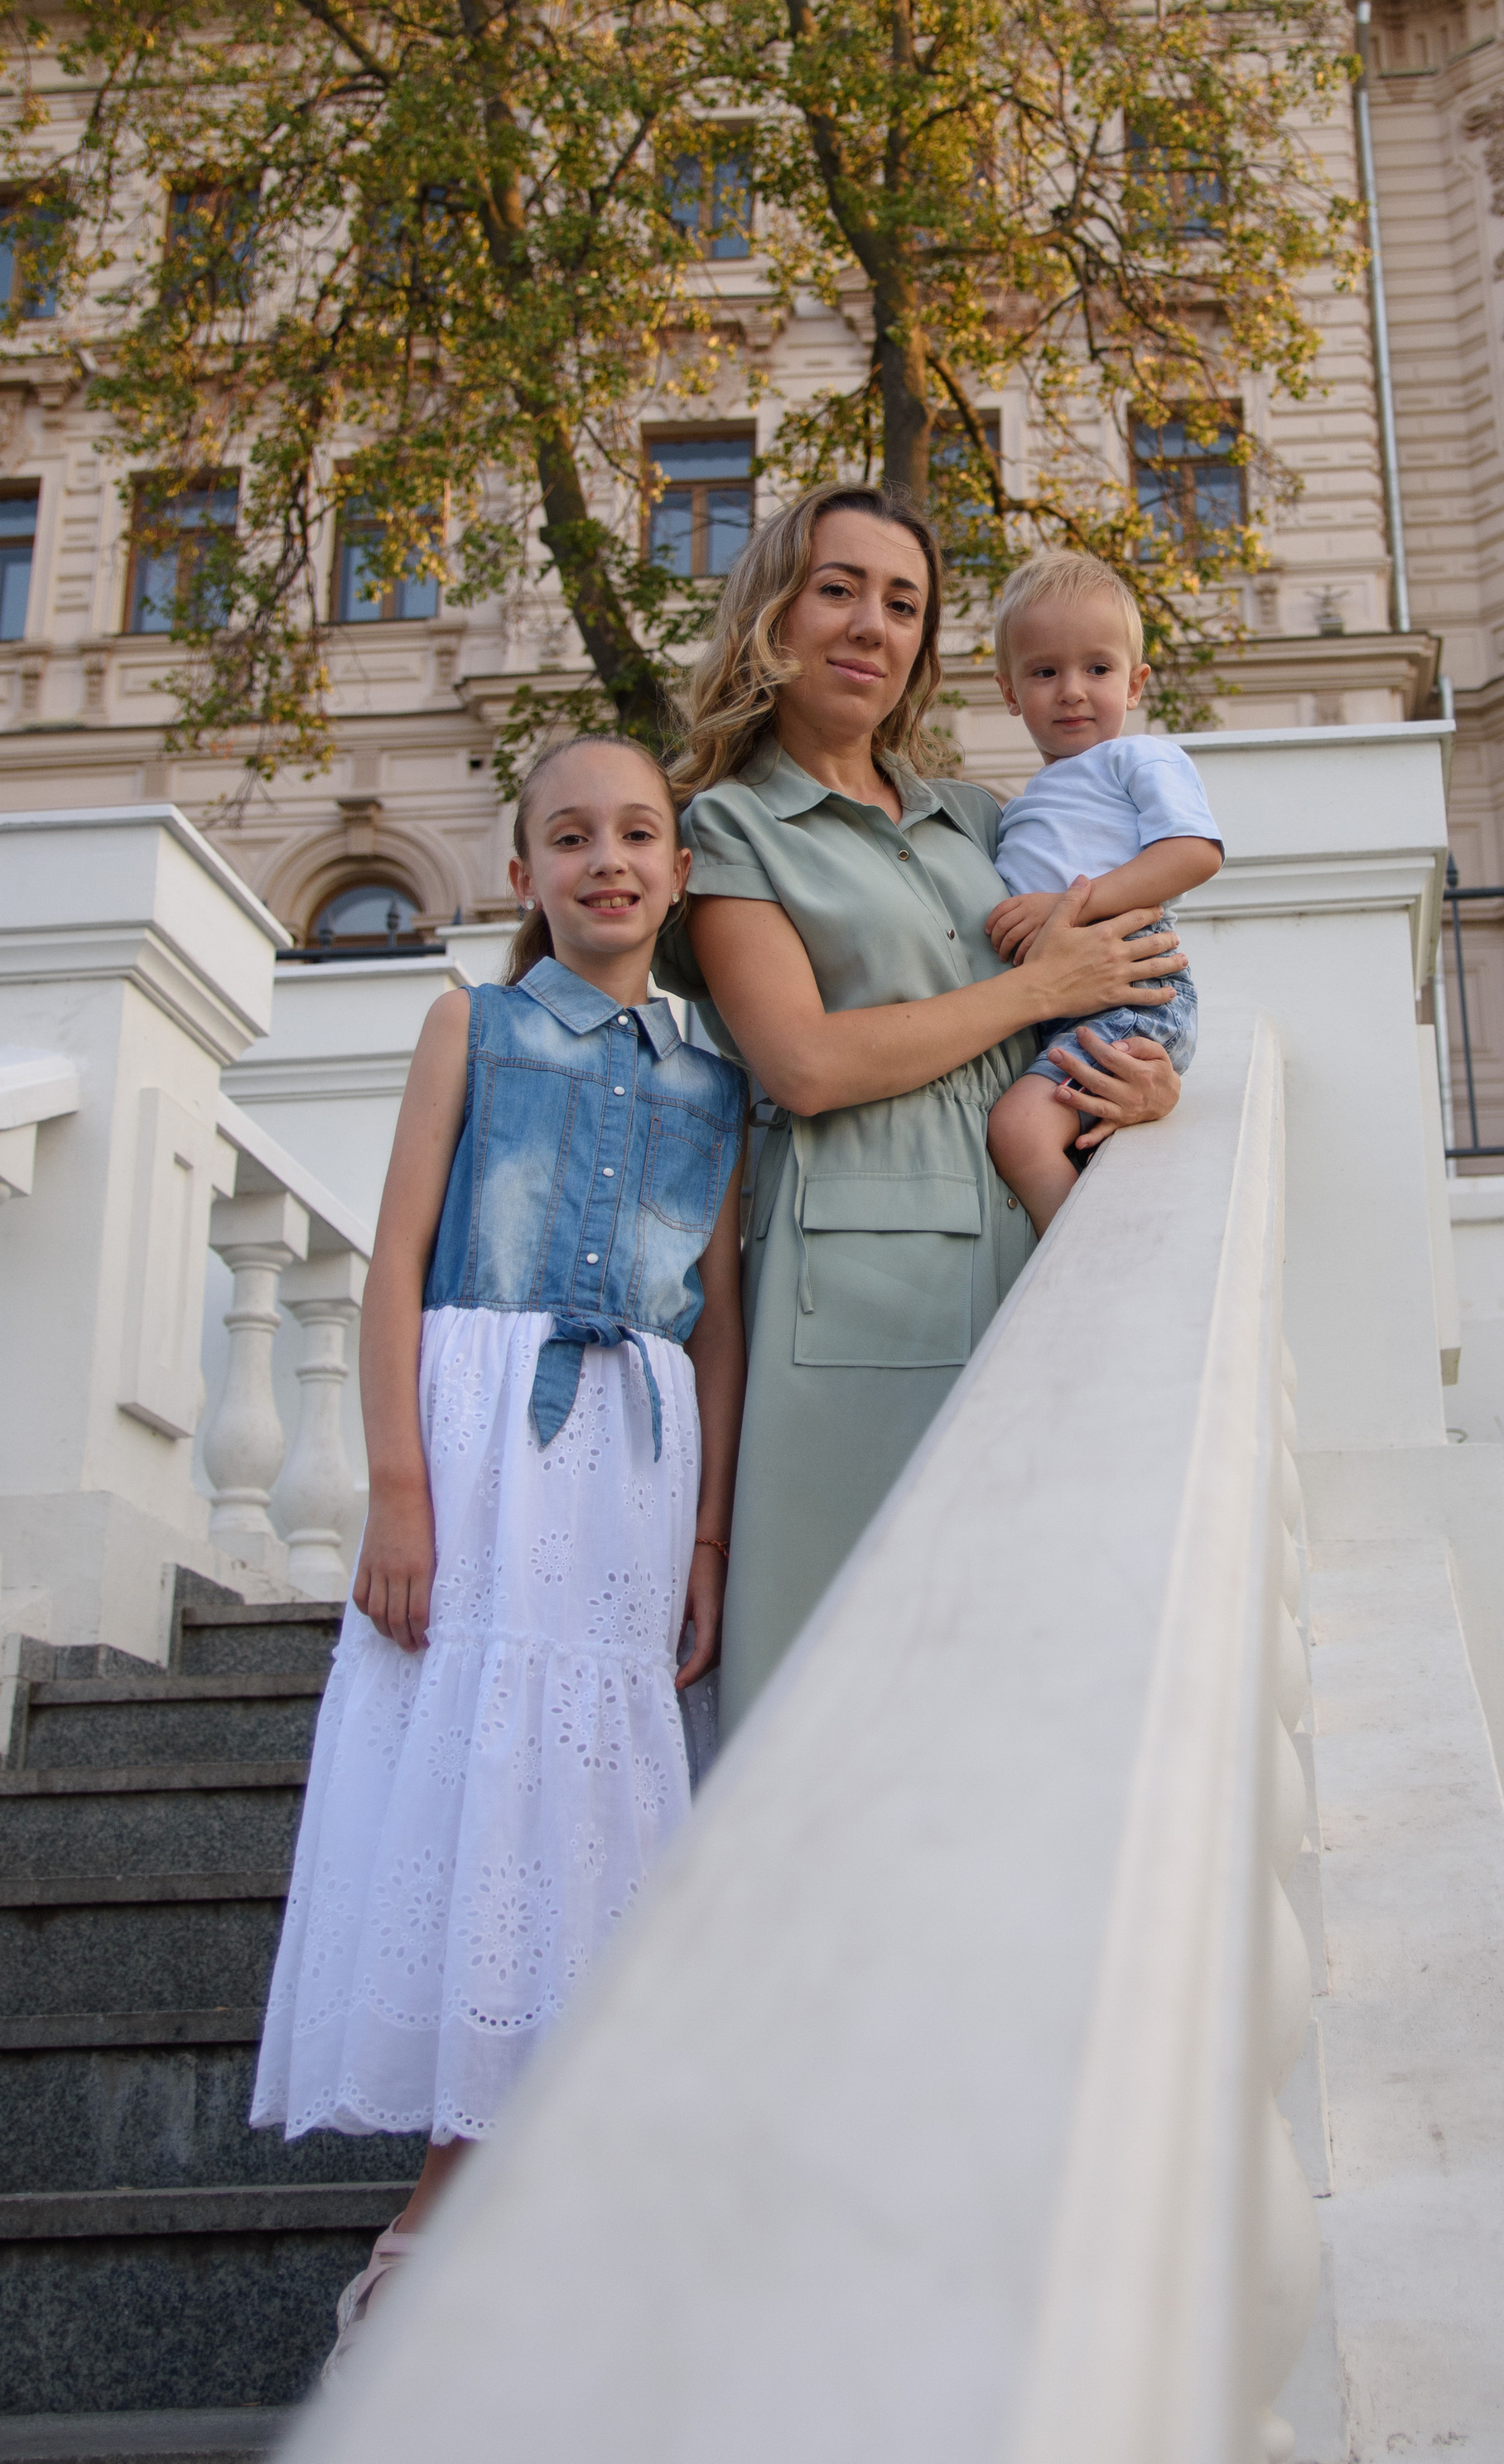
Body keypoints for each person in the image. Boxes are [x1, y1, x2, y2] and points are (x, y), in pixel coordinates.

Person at [252, 732, 747, 2368]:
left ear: (677, 868)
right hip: (481, 1430)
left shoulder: (716, 1070)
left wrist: (707, 1535)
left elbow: (721, 1317)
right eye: (570, 837)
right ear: (522, 870)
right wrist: (397, 1484)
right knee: (480, 1770)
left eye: (638, 836)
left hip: (635, 1450)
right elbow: (393, 1261)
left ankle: (540, 2208)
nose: (608, 861)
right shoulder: (468, 1023)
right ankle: (422, 2230)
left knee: (590, 1792)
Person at [656, 480, 1186, 1727]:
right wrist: (1037, 987)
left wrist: (1144, 1075)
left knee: (1020, 1678)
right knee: (845, 1685)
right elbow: (804, 1064)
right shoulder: (730, 831)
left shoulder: (982, 822)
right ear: (774, 614)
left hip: (1028, 1262)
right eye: (838, 589)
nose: (871, 626)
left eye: (903, 604)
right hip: (850, 1297)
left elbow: (1117, 972)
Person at [982, 552, 1223, 1232]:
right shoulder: (1024, 804)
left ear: (1136, 682)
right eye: (1044, 671)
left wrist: (1069, 907)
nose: (1072, 690)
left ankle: (1084, 1268)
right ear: (1009, 693)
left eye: (1097, 668)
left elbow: (1194, 853)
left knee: (1021, 1131)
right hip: (1064, 1000)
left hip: (1135, 984)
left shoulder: (1138, 757)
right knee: (1062, 1138)